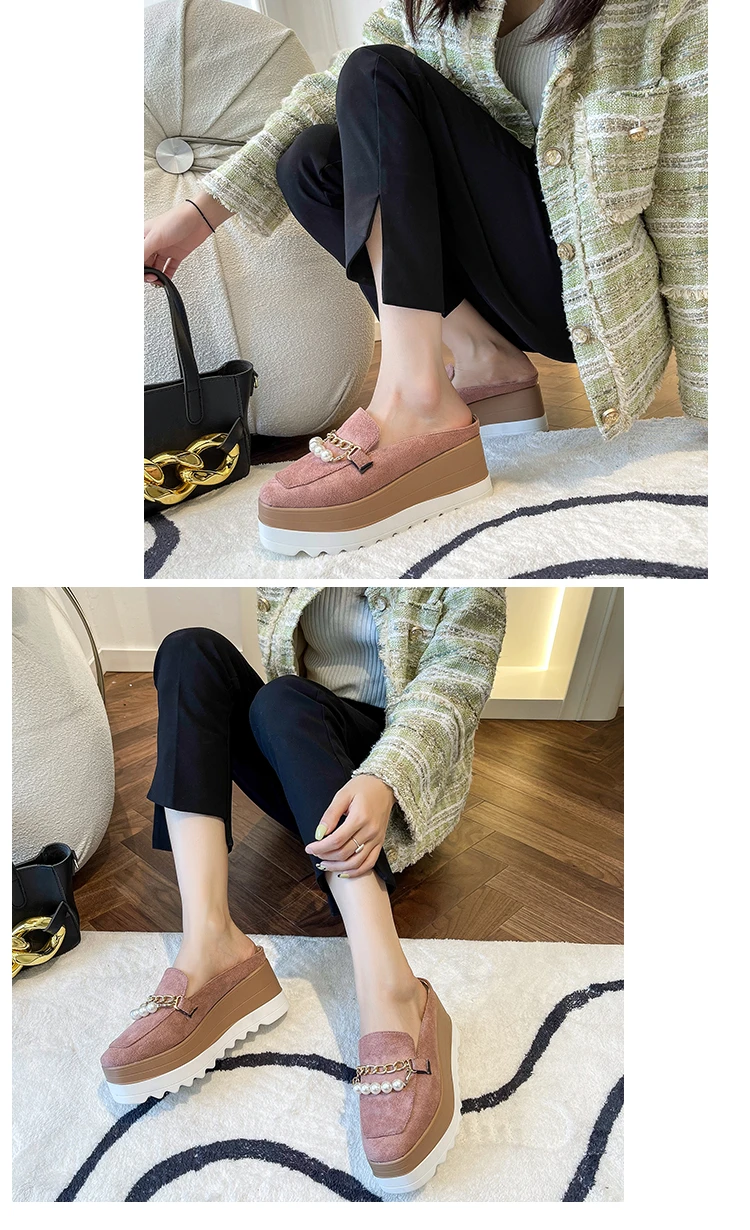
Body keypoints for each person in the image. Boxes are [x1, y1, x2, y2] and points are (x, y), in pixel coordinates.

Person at [144, 0, 706, 556]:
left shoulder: (666, 12)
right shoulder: (436, 7)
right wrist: (196, 218)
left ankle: (416, 398)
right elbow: (323, 95)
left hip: (584, 298)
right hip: (498, 281)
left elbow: (695, 220)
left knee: (376, 70)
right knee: (311, 161)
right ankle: (486, 360)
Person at [100, 586, 506, 1193]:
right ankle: (210, 942)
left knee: (284, 700)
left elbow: (456, 681)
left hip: (395, 777)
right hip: (304, 747)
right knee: (189, 652)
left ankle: (393, 990)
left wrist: (384, 776)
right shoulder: (300, 545)